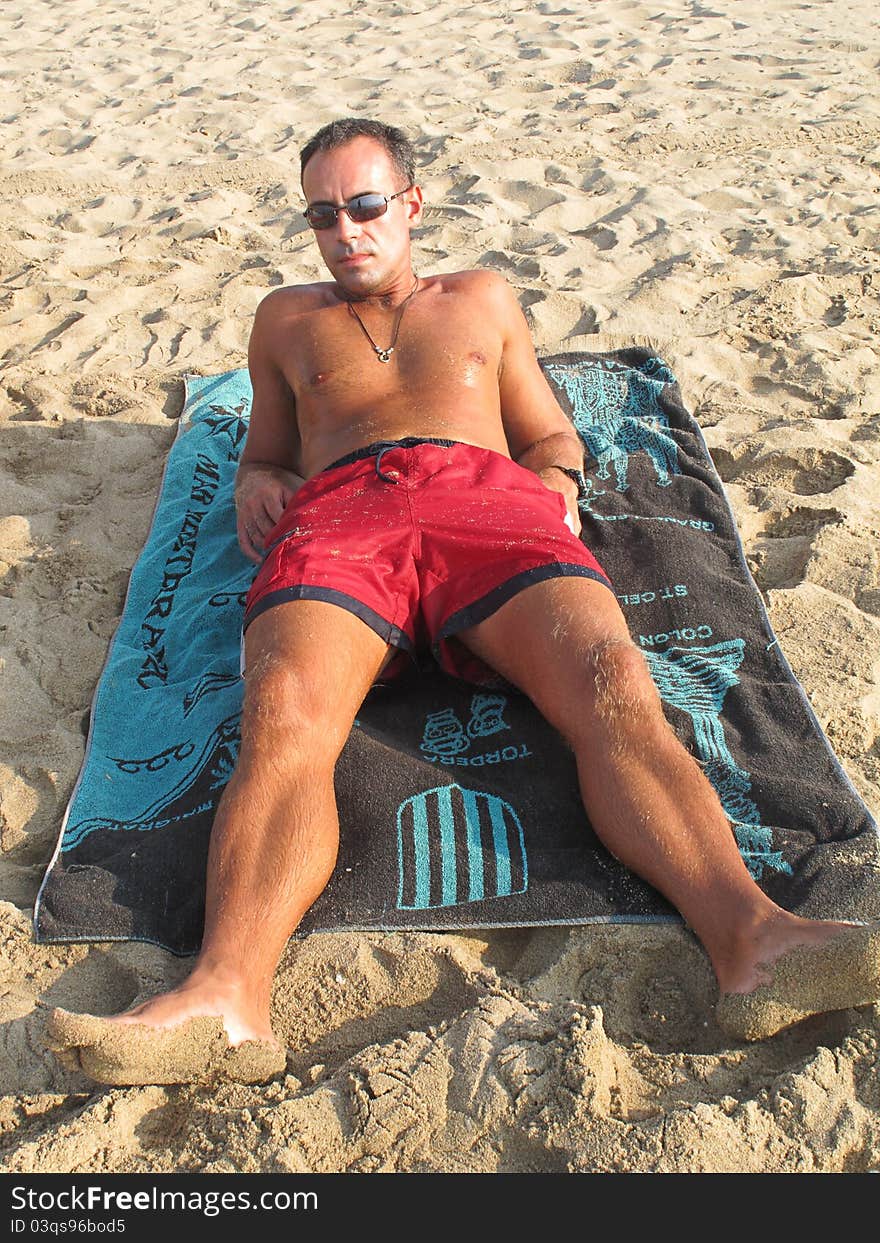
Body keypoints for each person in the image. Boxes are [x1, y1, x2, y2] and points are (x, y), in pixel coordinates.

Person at [48, 118, 880, 1086]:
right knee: (280, 714)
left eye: (363, 206)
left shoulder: (481, 299)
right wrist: (252, 484)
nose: (344, 232)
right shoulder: (285, 318)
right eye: (322, 215)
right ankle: (227, 996)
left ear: (410, 204)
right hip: (343, 514)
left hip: (485, 501)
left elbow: (548, 434)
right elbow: (265, 453)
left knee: (612, 680)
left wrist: (559, 484)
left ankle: (755, 942)